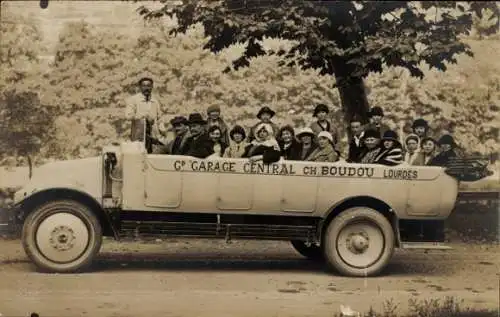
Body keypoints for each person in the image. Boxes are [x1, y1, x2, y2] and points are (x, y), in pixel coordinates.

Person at [124, 76, 166, 153]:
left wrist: (163, 132)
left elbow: (160, 118)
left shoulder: (155, 101)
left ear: (152, 87)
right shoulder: (133, 100)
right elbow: (128, 115)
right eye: (144, 86)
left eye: (149, 86)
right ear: (140, 87)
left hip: (153, 137)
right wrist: (143, 116)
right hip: (138, 136)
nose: (146, 88)